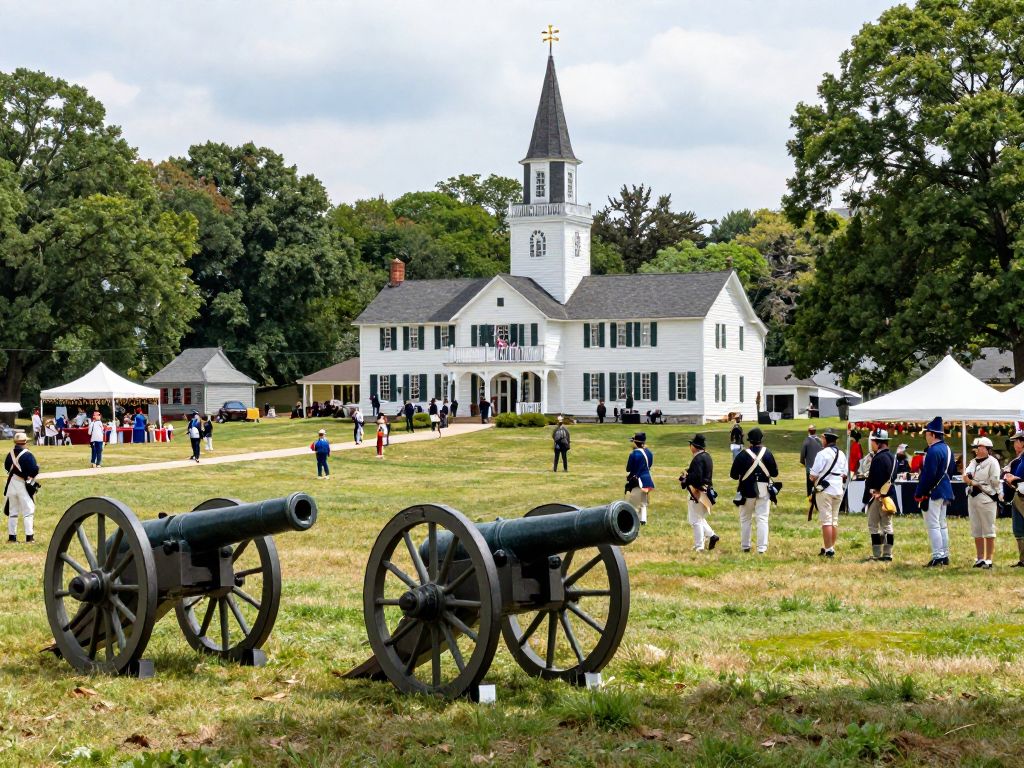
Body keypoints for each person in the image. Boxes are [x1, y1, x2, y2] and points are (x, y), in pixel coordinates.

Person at [730, 427, 779, 554]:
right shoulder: (767, 453)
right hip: (763, 489)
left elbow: (733, 475)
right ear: (761, 439)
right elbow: (775, 473)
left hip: (746, 490)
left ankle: (745, 546)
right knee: (762, 519)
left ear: (749, 441)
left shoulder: (742, 455)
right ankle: (762, 548)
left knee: (745, 519)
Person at [914, 416, 955, 567]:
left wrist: (920, 492)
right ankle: (944, 554)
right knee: (942, 524)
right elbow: (951, 471)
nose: (926, 436)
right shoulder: (948, 449)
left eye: (927, 433)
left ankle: (938, 556)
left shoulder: (932, 451)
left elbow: (928, 475)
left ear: (932, 434)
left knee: (933, 525)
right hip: (944, 489)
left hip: (933, 492)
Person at [809, 429, 848, 558]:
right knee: (834, 520)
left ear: (825, 439)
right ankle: (829, 546)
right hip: (838, 489)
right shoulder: (842, 454)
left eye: (822, 439)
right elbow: (845, 473)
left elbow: (813, 474)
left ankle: (829, 549)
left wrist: (812, 478)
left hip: (825, 490)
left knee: (826, 520)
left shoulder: (822, 454)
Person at [964, 436, 1000, 568]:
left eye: (980, 447)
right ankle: (980, 558)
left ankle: (988, 559)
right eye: (977, 447)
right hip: (973, 497)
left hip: (987, 497)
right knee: (976, 529)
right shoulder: (973, 461)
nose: (977, 450)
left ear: (986, 449)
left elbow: (995, 481)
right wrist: (968, 479)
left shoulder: (993, 462)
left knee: (988, 529)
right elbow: (967, 473)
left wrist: (975, 482)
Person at [862, 429, 897, 562]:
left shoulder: (878, 458)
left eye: (873, 442)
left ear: (878, 443)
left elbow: (873, 480)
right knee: (887, 525)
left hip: (877, 496)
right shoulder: (892, 457)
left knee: (873, 526)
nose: (871, 444)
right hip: (889, 495)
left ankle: (877, 554)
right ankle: (887, 554)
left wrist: (872, 492)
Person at [680, 434, 718, 552]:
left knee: (695, 520)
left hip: (698, 492)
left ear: (694, 446)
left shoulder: (698, 458)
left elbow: (697, 477)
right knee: (698, 518)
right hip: (706, 490)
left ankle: (699, 546)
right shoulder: (706, 456)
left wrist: (686, 479)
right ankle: (712, 536)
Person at [4, 432, 39, 543]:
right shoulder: (28, 455)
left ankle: (12, 537)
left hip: (11, 485)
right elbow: (34, 469)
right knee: (28, 511)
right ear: (25, 442)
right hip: (22, 485)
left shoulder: (10, 454)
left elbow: (6, 467)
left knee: (13, 512)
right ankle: (29, 537)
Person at [1002, 430, 1024, 566]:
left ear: (1022, 442)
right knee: (1019, 529)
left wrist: (1016, 479)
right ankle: (1023, 560)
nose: (1014, 444)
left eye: (1016, 441)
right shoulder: (1019, 459)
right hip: (1018, 495)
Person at [626, 432, 654, 525]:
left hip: (638, 481)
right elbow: (649, 465)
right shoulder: (649, 452)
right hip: (648, 479)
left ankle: (633, 522)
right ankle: (643, 520)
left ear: (635, 442)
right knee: (643, 501)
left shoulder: (634, 454)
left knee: (633, 502)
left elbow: (628, 468)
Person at [800, 425, 823, 496]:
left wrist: (803, 462)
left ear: (808, 431)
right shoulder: (820, 441)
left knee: (809, 483)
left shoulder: (806, 440)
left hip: (810, 467)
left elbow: (803, 454)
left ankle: (809, 495)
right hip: (820, 467)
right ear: (815, 431)